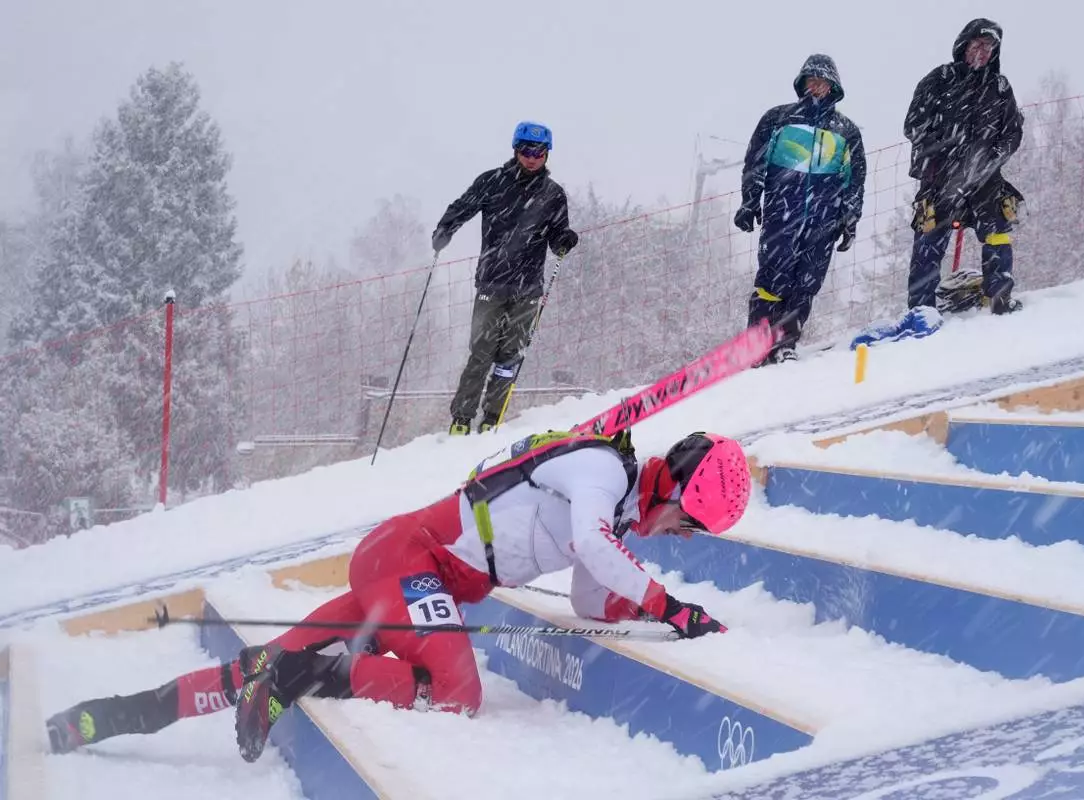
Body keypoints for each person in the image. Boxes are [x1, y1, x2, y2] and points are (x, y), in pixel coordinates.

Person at [45, 429, 752, 764]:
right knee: (456, 692)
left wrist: (648, 610)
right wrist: (670, 606)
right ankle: (311, 673)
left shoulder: (616, 506)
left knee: (251, 671)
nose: (684, 537)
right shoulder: (601, 468)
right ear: (679, 489)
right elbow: (597, 549)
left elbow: (594, 596)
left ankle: (97, 719)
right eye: (692, 522)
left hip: (410, 574)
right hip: (410, 560)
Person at [433, 121, 580, 435]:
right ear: (516, 149)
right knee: (481, 353)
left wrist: (564, 240)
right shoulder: (493, 182)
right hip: (492, 282)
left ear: (546, 155)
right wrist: (445, 229)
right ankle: (461, 419)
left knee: (510, 356)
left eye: (539, 152)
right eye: (527, 150)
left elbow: (556, 236)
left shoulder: (553, 194)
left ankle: (491, 419)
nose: (532, 157)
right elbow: (463, 207)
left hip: (528, 288)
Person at [735, 54, 866, 365]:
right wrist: (749, 200)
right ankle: (757, 342)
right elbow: (755, 163)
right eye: (811, 81)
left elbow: (854, 180)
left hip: (824, 220)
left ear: (833, 87)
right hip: (783, 214)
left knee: (806, 283)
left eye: (822, 82)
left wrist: (850, 218)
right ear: (802, 83)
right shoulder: (778, 119)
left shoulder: (846, 132)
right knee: (771, 279)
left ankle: (785, 343)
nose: (816, 87)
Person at [905, 18, 1025, 315]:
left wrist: (993, 156)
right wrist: (945, 152)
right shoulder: (939, 79)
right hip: (940, 179)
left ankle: (999, 298)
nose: (983, 52)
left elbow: (1013, 132)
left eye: (990, 47)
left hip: (986, 179)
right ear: (964, 45)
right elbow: (914, 125)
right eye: (978, 44)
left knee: (997, 232)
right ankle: (921, 311)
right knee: (929, 241)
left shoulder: (999, 86)